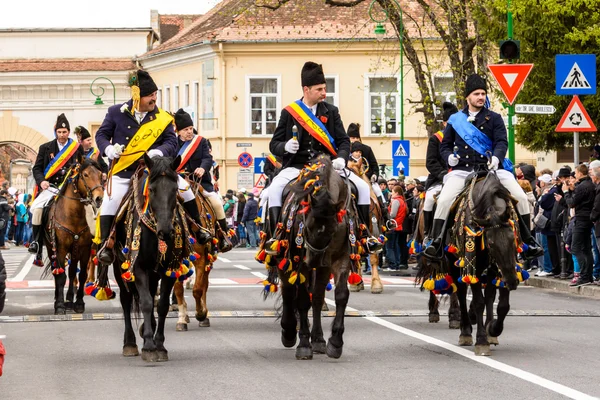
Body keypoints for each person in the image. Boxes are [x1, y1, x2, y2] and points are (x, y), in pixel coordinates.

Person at [424, 74, 542, 260]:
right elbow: (445, 146)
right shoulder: (456, 120)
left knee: (520, 196)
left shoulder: (494, 118)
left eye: (483, 93)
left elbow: (502, 142)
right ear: (468, 98)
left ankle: (528, 240)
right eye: (477, 94)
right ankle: (436, 241)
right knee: (445, 199)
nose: (481, 97)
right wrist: (449, 158)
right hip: (463, 170)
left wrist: (496, 157)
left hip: (492, 169)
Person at [266, 61, 380, 253]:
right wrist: (285, 146)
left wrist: (342, 158)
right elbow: (273, 145)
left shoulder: (331, 111)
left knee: (361, 186)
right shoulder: (289, 113)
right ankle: (275, 237)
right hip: (298, 167)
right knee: (274, 190)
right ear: (306, 89)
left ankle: (365, 236)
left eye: (324, 89)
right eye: (319, 89)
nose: (324, 93)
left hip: (329, 167)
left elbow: (343, 141)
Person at [94, 70, 179, 265]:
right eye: (150, 95)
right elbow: (101, 135)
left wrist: (159, 152)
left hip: (153, 172)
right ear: (136, 96)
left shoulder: (163, 117)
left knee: (185, 191)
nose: (154, 99)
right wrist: (108, 149)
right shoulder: (116, 112)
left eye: (155, 94)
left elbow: (171, 141)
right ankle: (106, 245)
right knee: (110, 201)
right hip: (123, 173)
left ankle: (193, 235)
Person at [173, 109, 231, 252]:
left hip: (200, 182)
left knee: (217, 203)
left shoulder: (201, 142)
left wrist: (202, 169)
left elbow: (207, 158)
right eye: (186, 129)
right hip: (178, 181)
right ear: (179, 131)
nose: (189, 132)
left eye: (191, 128)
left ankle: (224, 236)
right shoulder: (172, 143)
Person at [29, 113, 84, 260]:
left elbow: (83, 166)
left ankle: (92, 242)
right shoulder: (46, 148)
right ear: (55, 132)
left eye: (64, 132)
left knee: (90, 208)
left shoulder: (76, 148)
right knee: (37, 210)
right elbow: (37, 168)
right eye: (59, 132)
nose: (62, 135)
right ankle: (37, 243)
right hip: (51, 187)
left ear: (68, 132)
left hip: (70, 188)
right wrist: (42, 181)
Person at [423, 102, 458, 241]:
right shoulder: (436, 139)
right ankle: (428, 234)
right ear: (444, 124)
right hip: (440, 179)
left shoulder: (464, 138)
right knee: (430, 199)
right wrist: (444, 174)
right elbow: (431, 162)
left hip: (461, 176)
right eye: (450, 122)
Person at [564, 164, 596, 287]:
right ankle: (588, 275)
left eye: (576, 173)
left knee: (576, 247)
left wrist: (567, 192)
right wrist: (573, 189)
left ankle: (583, 276)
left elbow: (572, 203)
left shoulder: (583, 186)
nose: (575, 175)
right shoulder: (589, 185)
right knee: (586, 248)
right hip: (587, 218)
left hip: (581, 219)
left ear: (580, 173)